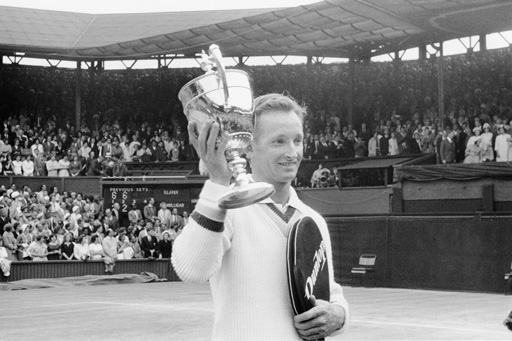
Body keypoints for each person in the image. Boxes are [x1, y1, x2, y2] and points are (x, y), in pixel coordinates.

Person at [172, 94, 348, 340]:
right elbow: (191, 270)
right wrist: (218, 182)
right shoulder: (228, 207)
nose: (292, 152)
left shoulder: (313, 220)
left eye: (297, 140)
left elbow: (330, 293)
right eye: (279, 141)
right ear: (250, 147)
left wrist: (338, 315)